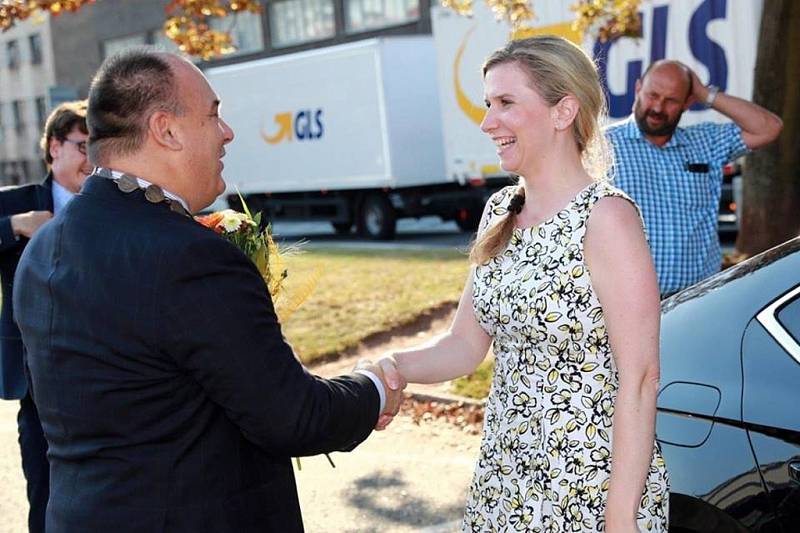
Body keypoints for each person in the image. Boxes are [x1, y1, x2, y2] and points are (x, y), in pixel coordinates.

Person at [13, 49, 403, 533]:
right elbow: (291, 417)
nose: (227, 132)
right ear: (166, 130)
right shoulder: (187, 255)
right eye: (214, 114)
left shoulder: (42, 248)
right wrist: (371, 389)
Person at [375, 36, 669, 531]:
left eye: (506, 103)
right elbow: (464, 346)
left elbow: (641, 379)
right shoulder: (499, 212)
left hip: (589, 488)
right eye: (490, 104)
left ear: (563, 111)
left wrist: (621, 515)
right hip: (506, 482)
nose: (489, 122)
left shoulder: (606, 218)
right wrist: (390, 367)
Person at [607, 60, 783, 298]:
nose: (658, 107)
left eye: (671, 100)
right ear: (638, 88)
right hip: (627, 302)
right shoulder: (602, 147)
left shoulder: (705, 142)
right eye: (652, 95)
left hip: (698, 300)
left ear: (688, 102)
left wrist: (704, 93)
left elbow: (768, 128)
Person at [0, 100, 91, 533]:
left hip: (100, 375)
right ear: (55, 147)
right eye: (83, 147)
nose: (92, 161)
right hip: (36, 385)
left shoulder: (108, 203)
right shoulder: (19, 203)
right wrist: (15, 225)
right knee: (46, 495)